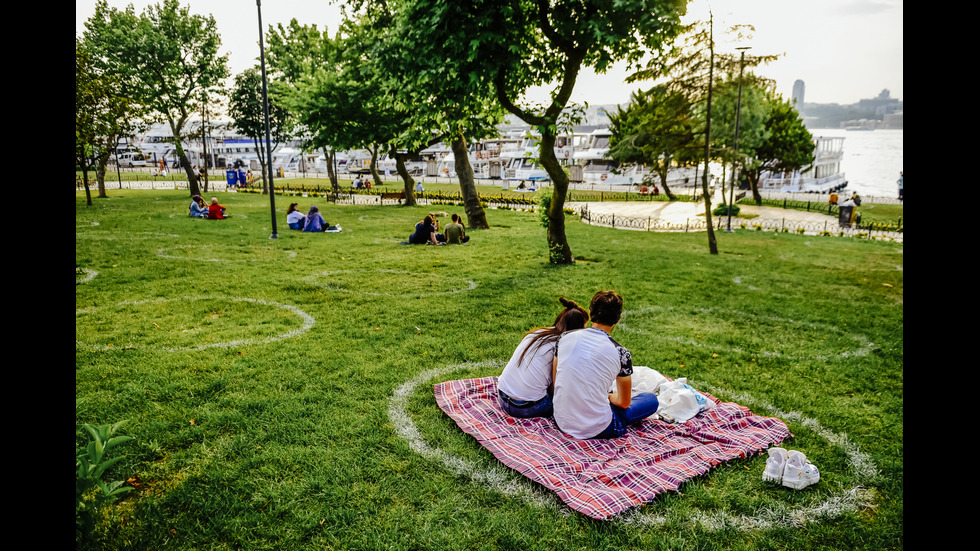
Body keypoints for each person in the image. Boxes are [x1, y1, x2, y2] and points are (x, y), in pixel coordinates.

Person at [552, 290, 660, 439]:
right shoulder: (621, 353)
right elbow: (623, 402)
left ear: (590, 313)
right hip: (598, 428)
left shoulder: (564, 337)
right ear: (618, 319)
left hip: (561, 419)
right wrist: (608, 396)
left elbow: (556, 381)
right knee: (650, 400)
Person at [497, 298, 589, 418]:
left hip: (502, 395)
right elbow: (558, 387)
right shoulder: (562, 347)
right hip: (525, 407)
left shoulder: (538, 333)